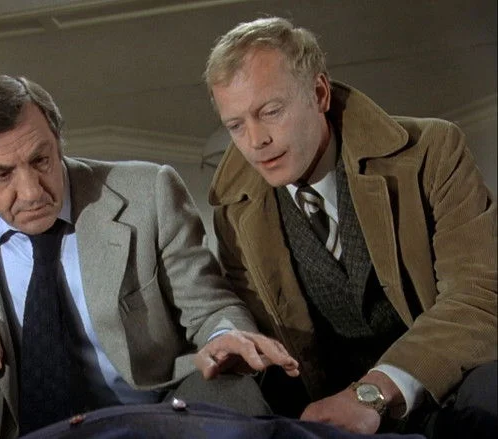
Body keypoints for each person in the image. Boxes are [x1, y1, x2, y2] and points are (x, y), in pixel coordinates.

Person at [0, 75, 300, 438]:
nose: (32, 192)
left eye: (40, 160)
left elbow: (210, 308)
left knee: (233, 393)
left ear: (58, 141)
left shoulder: (148, 194)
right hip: (35, 427)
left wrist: (224, 336)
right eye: (2, 175)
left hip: (160, 406)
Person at [202, 16, 497, 438]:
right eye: (235, 125)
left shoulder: (433, 153)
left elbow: (480, 295)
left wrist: (372, 393)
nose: (255, 140)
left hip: (446, 389)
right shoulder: (234, 210)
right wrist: (233, 340)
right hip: (324, 412)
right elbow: (261, 331)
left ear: (319, 94)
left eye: (271, 112)